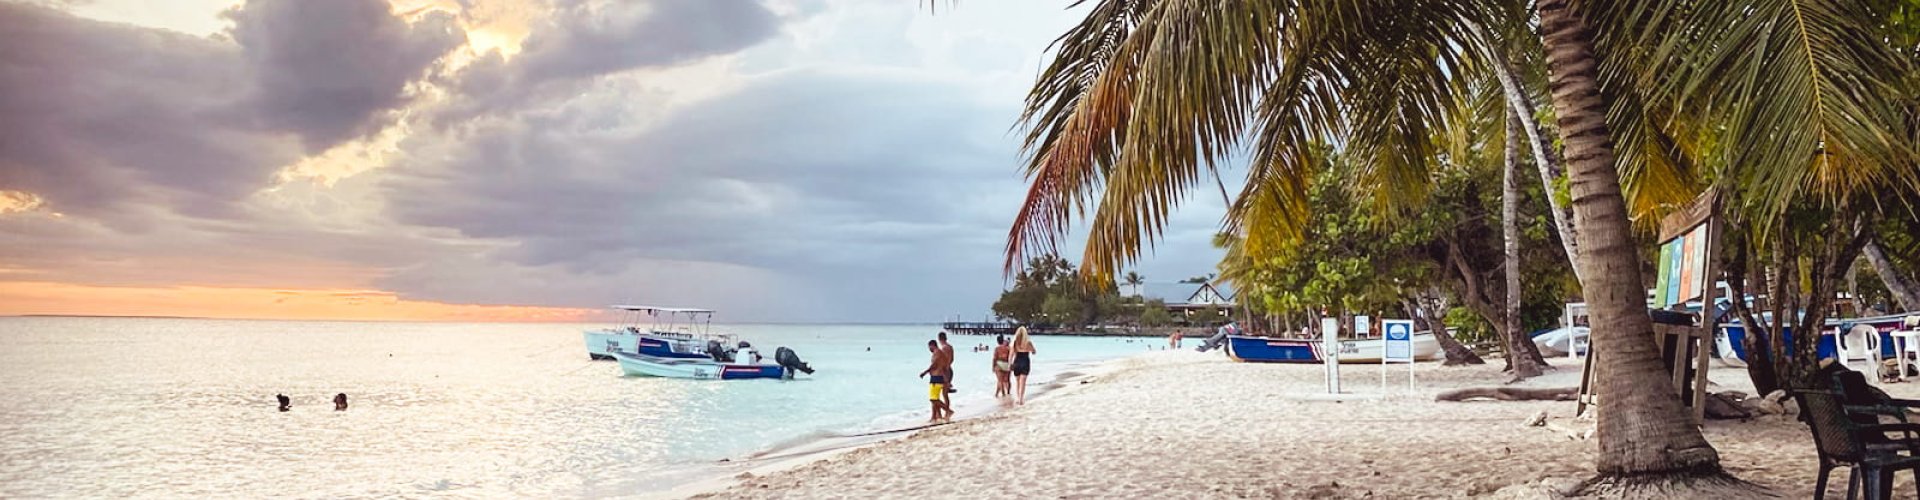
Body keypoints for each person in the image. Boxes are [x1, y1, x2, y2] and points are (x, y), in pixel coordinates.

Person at [919, 340, 953, 422]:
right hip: (939, 377)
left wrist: (924, 372)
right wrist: (946, 379)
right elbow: (945, 366)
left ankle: (948, 411)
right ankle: (935, 417)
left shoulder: (937, 353)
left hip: (936, 378)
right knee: (935, 398)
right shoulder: (941, 354)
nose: (929, 349)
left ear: (932, 346)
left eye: (929, 347)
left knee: (933, 399)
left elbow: (934, 365)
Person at [1010, 326, 1036, 404]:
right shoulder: (1028, 342)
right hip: (1025, 362)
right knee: (1023, 382)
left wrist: (1009, 364)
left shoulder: (1014, 343)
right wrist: (1029, 350)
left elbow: (1011, 354)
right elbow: (1034, 351)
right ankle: (1021, 399)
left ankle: (1018, 398)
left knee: (1017, 382)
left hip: (1017, 362)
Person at [937, 331, 957, 396]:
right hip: (949, 370)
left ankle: (945, 406)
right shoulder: (950, 347)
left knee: (943, 393)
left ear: (939, 339)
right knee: (945, 393)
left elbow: (943, 361)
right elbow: (952, 359)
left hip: (946, 371)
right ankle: (946, 406)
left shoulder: (944, 348)